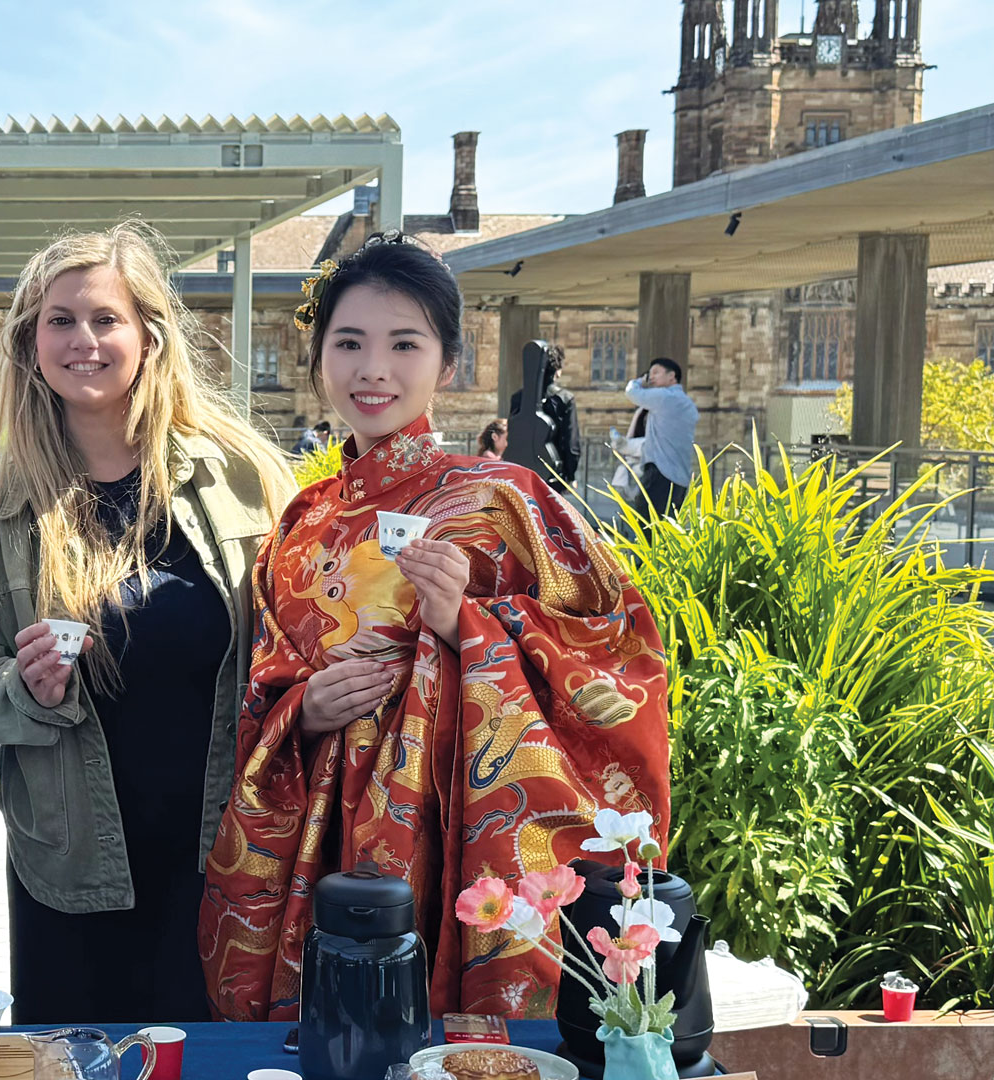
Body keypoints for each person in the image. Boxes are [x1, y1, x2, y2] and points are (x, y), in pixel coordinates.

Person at [198, 232, 670, 1021]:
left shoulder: (506, 504)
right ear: (319, 360)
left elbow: (616, 654)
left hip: (451, 833)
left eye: (403, 343)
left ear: (448, 364)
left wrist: (468, 628)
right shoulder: (301, 524)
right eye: (348, 343)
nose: (372, 369)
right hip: (325, 840)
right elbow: (268, 676)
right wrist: (303, 710)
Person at [0, 223, 294, 1023]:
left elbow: (303, 635)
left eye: (106, 319)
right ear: (30, 344)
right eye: (60, 321)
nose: (82, 340)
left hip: (224, 855)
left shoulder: (244, 480)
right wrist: (19, 686)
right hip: (72, 864)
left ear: (149, 336)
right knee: (75, 1059)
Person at [626, 357, 698, 520]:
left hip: (659, 472)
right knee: (669, 528)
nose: (651, 377)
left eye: (656, 373)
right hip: (680, 477)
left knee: (646, 525)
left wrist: (639, 381)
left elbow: (631, 393)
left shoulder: (664, 397)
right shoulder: (687, 404)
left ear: (671, 376)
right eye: (649, 374)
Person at [507, 343, 580, 493]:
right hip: (552, 475)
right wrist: (570, 475)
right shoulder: (564, 399)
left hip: (520, 474)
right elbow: (571, 444)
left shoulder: (517, 398)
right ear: (557, 371)